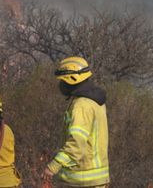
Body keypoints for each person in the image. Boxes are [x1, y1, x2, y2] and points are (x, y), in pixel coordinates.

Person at [43, 57, 109, 188]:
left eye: (62, 81)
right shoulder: (95, 101)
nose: (60, 85)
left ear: (71, 79)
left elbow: (76, 144)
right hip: (96, 178)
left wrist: (53, 167)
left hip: (83, 178)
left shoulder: (81, 106)